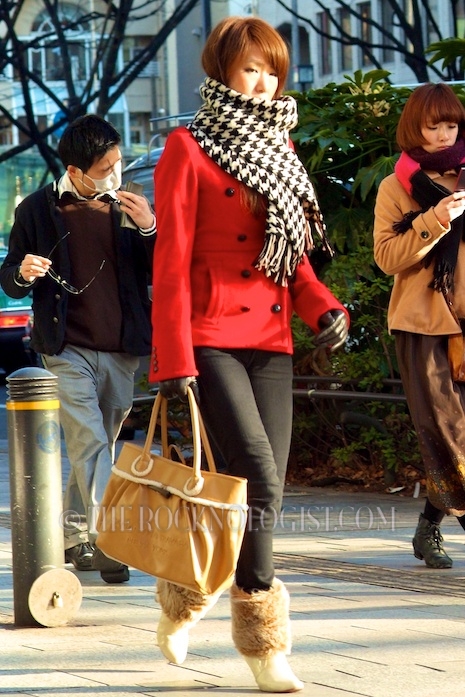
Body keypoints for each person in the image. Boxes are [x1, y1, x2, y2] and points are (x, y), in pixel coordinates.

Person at [149, 16, 349, 693]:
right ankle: (264, 645)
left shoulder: (278, 144)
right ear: (222, 71)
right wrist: (172, 358)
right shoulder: (187, 146)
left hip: (270, 337)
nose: (264, 83)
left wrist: (324, 308)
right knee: (256, 472)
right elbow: (171, 259)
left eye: (272, 71)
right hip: (207, 335)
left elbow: (292, 258)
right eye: (251, 69)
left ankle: (186, 595)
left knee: (264, 488)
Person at [0, 114, 155, 583]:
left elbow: (157, 270)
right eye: (105, 168)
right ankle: (110, 540)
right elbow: (10, 278)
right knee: (89, 440)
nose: (115, 174)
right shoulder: (36, 209)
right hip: (65, 347)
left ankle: (73, 536)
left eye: (118, 163)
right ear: (75, 171)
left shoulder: (130, 205)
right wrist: (23, 272)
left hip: (122, 347)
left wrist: (149, 227)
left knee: (100, 441)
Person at [374, 82, 465, 570]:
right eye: (434, 126)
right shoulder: (397, 186)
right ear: (415, 128)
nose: (444, 134)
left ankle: (429, 525)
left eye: (451, 124)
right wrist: (434, 220)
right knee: (449, 433)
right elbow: (387, 257)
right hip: (424, 326)